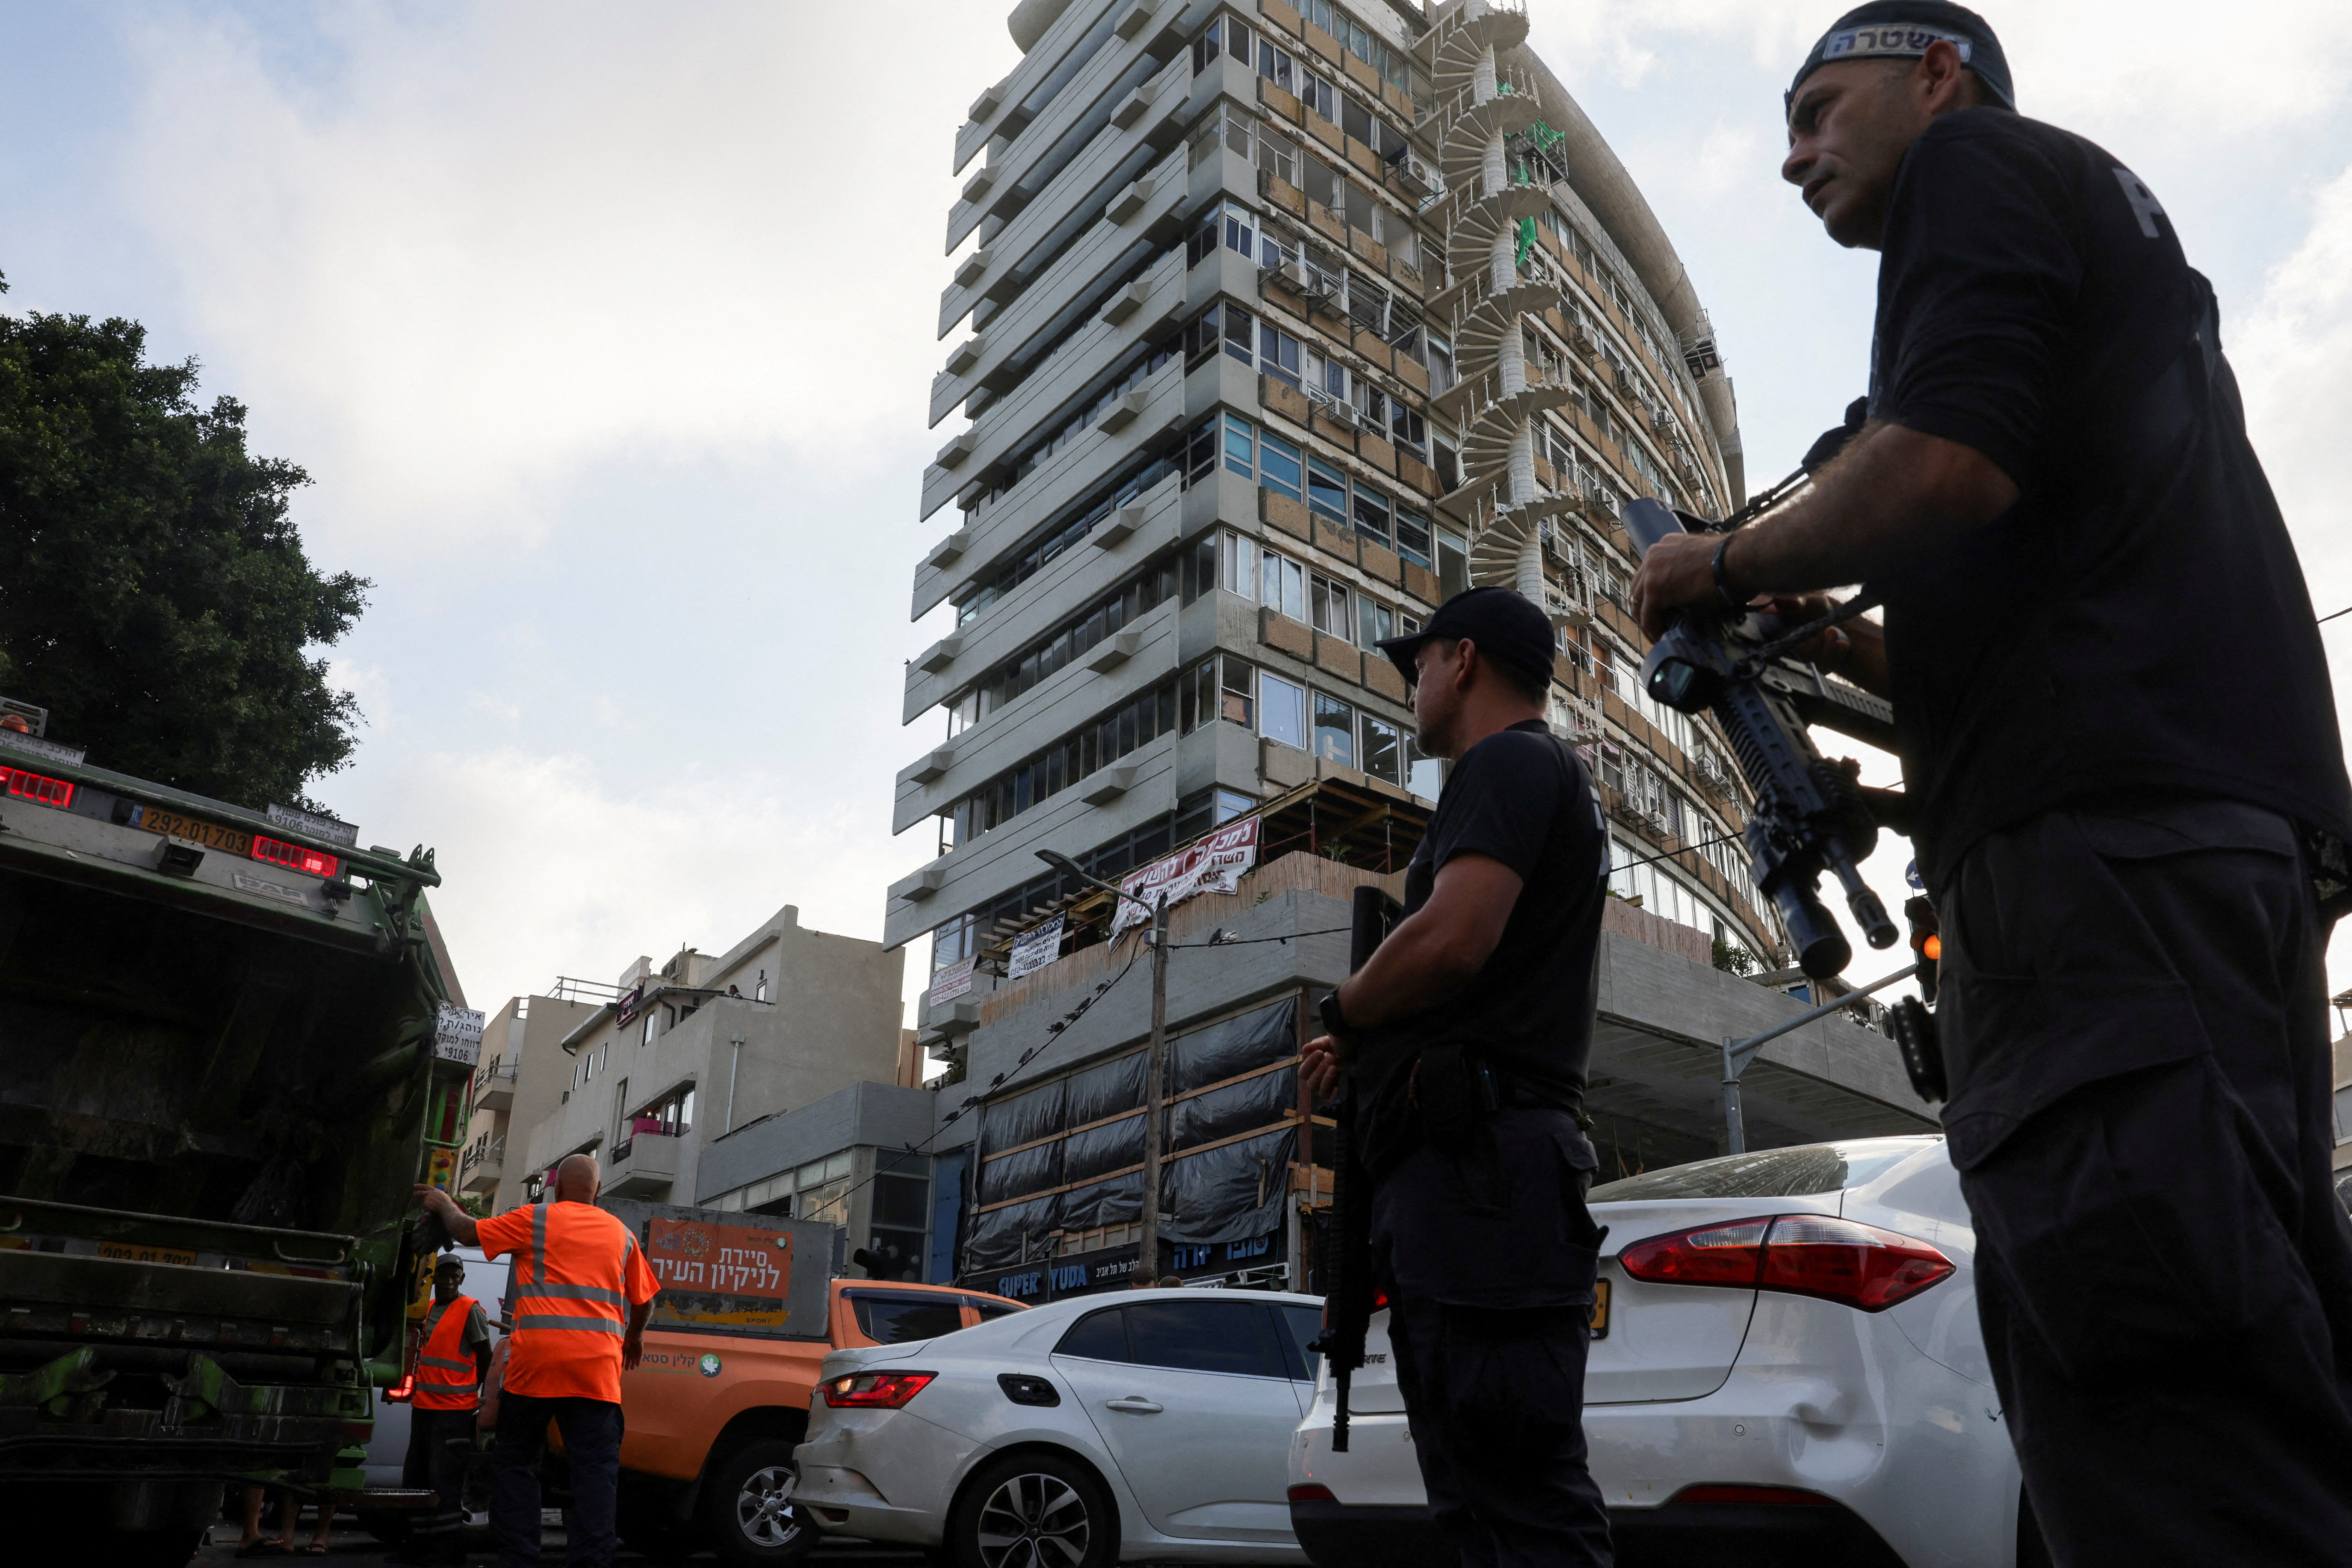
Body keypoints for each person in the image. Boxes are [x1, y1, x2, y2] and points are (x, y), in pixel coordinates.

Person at [1630, 5, 2352, 1559]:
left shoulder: (1980, 172)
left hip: (2099, 879)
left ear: (1935, 73)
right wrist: (1801, 617)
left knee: (2156, 1411)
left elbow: (1937, 464)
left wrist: (1722, 559)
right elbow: (1987, 565)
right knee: (2245, 1375)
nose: (1790, 153)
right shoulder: (2086, 265)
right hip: (2192, 859)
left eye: (1822, 107)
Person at [1301, 585, 1613, 1568]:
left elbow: (1453, 934)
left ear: (1463, 658)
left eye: (1419, 661)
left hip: (1485, 1178)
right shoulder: (1513, 773)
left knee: (1511, 1498)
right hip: (1472, 1183)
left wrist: (1344, 1008)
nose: (1412, 684)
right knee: (1480, 1501)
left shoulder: (1509, 760)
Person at [415, 1155, 661, 1568]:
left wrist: (442, 1202)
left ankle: (519, 1558)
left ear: (557, 1187)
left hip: (536, 1369)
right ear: (597, 1191)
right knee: (595, 1477)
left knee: (516, 1465)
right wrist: (633, 1338)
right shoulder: (621, 1235)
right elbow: (645, 1300)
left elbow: (467, 1231)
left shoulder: (537, 1219)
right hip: (596, 1375)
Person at [391, 1254, 494, 1566]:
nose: (449, 1280)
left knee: (445, 1482)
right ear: (434, 1279)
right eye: (443, 1275)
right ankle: (419, 1544)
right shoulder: (428, 1310)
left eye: (455, 1275)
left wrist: (477, 1397)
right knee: (418, 1477)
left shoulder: (470, 1310)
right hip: (424, 1408)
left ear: (462, 1278)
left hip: (453, 1412)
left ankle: (449, 1551)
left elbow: (485, 1357)